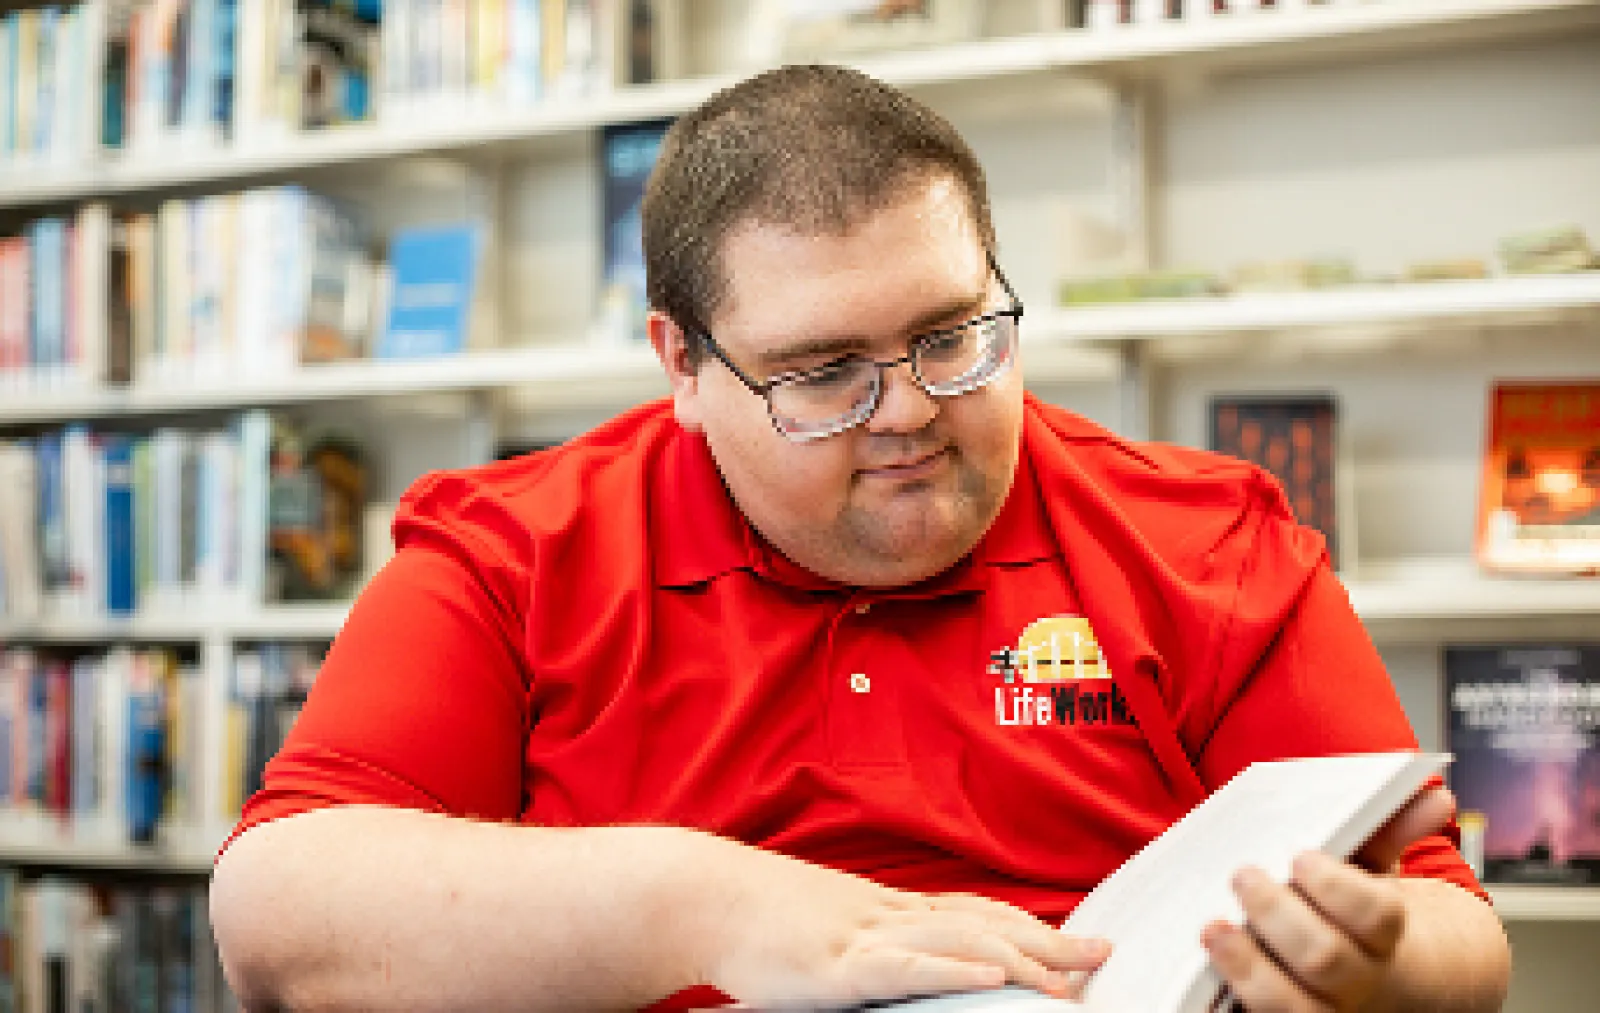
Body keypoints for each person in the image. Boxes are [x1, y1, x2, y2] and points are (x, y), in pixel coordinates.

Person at [209, 65, 1512, 1012]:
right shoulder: (514, 550)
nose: (909, 414)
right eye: (824, 371)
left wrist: (1374, 963)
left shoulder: (1210, 538)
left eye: (951, 337)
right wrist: (711, 909)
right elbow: (274, 916)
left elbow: (1455, 928)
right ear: (682, 364)